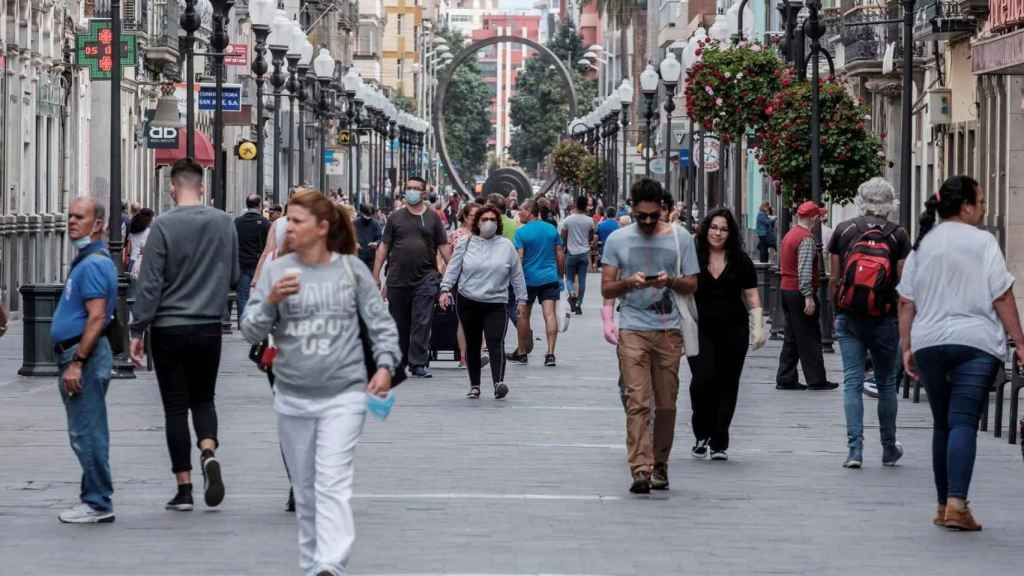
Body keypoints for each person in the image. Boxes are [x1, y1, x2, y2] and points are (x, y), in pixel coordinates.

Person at [241, 189, 399, 576]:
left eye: (297, 221)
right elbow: (250, 329)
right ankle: (315, 562)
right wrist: (271, 300)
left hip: (343, 393)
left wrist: (384, 366)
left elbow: (380, 324)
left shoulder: (350, 270)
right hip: (292, 394)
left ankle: (332, 562)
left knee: (332, 478)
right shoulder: (277, 272)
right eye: (287, 221)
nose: (287, 228)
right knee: (306, 487)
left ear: (322, 228)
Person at [898, 175, 1024, 532]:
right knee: (964, 421)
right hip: (976, 343)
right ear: (966, 206)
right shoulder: (983, 242)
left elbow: (906, 301)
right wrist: (1021, 341)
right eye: (981, 202)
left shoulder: (923, 245)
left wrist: (906, 346)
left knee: (943, 423)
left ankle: (942, 506)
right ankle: (957, 505)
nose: (984, 209)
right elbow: (1001, 295)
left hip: (930, 343)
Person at [129, 158, 239, 511]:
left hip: (168, 329)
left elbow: (150, 283)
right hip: (209, 326)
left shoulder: (163, 225)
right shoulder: (225, 223)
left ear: (172, 188)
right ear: (203, 187)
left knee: (175, 408)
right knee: (204, 399)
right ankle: (208, 450)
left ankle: (185, 488)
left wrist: (137, 328)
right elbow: (235, 273)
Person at [601, 178, 699, 493]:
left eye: (653, 216)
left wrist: (670, 281)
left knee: (667, 404)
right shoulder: (617, 239)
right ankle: (640, 470)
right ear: (632, 208)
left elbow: (692, 284)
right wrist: (630, 283)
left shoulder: (680, 238)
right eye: (641, 215)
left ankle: (660, 465)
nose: (646, 221)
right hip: (632, 327)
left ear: (662, 210)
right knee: (637, 401)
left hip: (669, 329)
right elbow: (606, 287)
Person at [828, 177, 911, 469]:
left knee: (852, 381)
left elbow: (835, 278)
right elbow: (902, 283)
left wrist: (837, 310)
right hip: (884, 317)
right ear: (890, 204)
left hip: (849, 316)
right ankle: (888, 448)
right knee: (887, 383)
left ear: (861, 201)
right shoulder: (898, 235)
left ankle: (855, 451)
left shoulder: (844, 230)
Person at [52, 197, 119, 524]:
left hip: (84, 356)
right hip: (79, 353)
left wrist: (77, 361)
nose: (72, 222)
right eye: (70, 216)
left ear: (98, 224)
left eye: (80, 217)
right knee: (87, 428)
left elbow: (96, 318)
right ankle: (92, 497)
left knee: (87, 431)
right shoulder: (88, 259)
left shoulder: (93, 264)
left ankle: (97, 502)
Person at [688, 208, 766, 461]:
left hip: (734, 330)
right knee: (702, 380)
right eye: (714, 227)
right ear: (705, 228)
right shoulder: (693, 256)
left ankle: (719, 441)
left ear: (730, 233)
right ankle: (702, 431)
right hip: (701, 329)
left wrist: (757, 327)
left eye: (723, 229)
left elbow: (752, 295)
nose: (718, 233)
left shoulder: (740, 260)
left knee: (727, 384)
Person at [439, 205, 527, 399]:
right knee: (473, 343)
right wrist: (445, 289)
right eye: (484, 219)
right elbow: (453, 268)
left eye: (493, 219)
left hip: (496, 302)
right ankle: (475, 386)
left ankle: (498, 383)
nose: (489, 223)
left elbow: (517, 274)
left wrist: (522, 299)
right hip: (468, 300)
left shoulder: (506, 246)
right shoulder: (466, 243)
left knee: (496, 342)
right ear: (477, 223)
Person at [373, 176, 451, 378]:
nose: (412, 191)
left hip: (426, 277)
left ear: (424, 193)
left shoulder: (433, 217)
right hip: (398, 278)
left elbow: (443, 247)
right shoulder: (395, 217)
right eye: (409, 188)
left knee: (422, 320)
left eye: (416, 188)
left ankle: (417, 362)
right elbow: (384, 247)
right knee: (399, 322)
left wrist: (452, 273)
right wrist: (376, 276)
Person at [776, 201, 837, 391]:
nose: (819, 219)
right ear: (813, 218)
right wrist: (808, 296)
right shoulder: (806, 238)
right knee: (810, 336)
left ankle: (786, 377)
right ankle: (816, 379)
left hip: (786, 289)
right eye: (818, 216)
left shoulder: (789, 235)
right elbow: (804, 270)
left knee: (792, 336)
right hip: (798, 292)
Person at [510, 199, 565, 367]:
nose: (519, 214)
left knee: (523, 316)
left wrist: (514, 279)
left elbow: (519, 257)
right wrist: (560, 275)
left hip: (528, 280)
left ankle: (522, 352)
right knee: (549, 315)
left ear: (530, 212)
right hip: (549, 278)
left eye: (522, 211)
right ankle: (550, 353)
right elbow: (560, 255)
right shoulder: (551, 230)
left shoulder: (521, 233)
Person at [235, 194, 271, 323]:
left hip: (242, 264)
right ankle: (256, 322)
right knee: (259, 295)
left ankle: (243, 322)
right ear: (260, 205)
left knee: (243, 295)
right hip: (259, 266)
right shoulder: (265, 223)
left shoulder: (237, 222)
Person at [562, 195, 595, 315]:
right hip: (584, 253)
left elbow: (563, 236)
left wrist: (565, 246)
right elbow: (591, 235)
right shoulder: (589, 220)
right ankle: (579, 304)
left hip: (571, 253)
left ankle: (572, 293)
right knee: (582, 280)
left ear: (575, 204)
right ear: (586, 206)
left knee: (569, 279)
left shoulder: (568, 220)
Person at [126, 208, 154, 281]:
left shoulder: (132, 232)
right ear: (149, 219)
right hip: (143, 264)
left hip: (132, 262)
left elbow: (129, 250)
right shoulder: (150, 232)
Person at [354, 203, 382, 271]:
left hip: (370, 257)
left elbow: (380, 238)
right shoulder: (355, 223)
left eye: (370, 215)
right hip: (357, 256)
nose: (367, 217)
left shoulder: (375, 224)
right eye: (366, 215)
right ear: (362, 213)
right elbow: (349, 237)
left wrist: (376, 243)